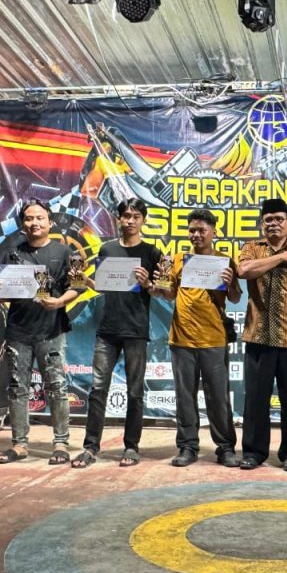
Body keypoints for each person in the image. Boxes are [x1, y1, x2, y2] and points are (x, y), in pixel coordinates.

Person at [0, 200, 78, 465]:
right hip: (18, 331)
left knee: (57, 387)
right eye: (28, 218)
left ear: (50, 221)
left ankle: (61, 443)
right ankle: (19, 444)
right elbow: (1, 295)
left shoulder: (64, 252)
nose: (34, 223)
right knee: (17, 388)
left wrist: (59, 302)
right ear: (22, 224)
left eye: (39, 218)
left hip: (52, 331)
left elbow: (77, 286)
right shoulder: (11, 254)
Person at [72, 198, 162, 468]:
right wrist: (83, 279)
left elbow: (163, 291)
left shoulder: (152, 252)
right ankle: (90, 447)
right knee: (98, 390)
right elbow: (102, 285)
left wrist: (147, 284)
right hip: (107, 330)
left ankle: (131, 447)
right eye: (126, 216)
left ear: (143, 220)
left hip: (136, 331)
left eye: (136, 216)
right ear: (118, 219)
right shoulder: (107, 248)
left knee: (135, 392)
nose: (130, 220)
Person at [154, 209, 241, 467]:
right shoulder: (178, 259)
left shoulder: (225, 261)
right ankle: (187, 446)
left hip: (214, 338)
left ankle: (225, 447)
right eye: (192, 230)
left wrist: (231, 283)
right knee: (185, 397)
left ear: (213, 231)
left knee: (219, 397)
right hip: (182, 339)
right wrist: (157, 285)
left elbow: (235, 297)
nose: (196, 234)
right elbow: (169, 294)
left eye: (202, 230)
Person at [238, 198, 287, 472]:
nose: (273, 224)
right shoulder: (251, 248)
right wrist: (281, 258)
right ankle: (253, 452)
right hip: (258, 337)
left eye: (279, 219)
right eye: (268, 220)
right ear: (262, 224)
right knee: (255, 400)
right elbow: (244, 270)